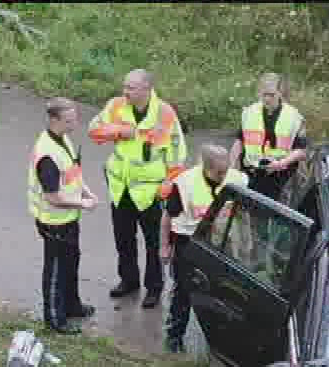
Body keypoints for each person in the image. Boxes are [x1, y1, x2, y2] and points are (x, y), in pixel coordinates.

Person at [88, 69, 187, 310]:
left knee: (154, 243)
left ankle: (154, 288)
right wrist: (120, 131)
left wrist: (167, 185)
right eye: (125, 87)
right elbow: (94, 131)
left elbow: (177, 154)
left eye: (131, 88)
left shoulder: (164, 113)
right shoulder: (116, 106)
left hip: (149, 192)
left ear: (146, 89)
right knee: (124, 239)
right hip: (121, 188)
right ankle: (129, 280)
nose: (125, 92)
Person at [159, 146, 247, 352]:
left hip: (221, 245)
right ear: (205, 168)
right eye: (219, 172)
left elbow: (244, 215)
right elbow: (167, 217)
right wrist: (164, 246)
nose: (224, 175)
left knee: (222, 291)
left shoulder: (237, 180)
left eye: (226, 170)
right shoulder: (184, 183)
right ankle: (174, 335)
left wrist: (246, 244)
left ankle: (218, 338)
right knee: (183, 289)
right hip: (189, 243)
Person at [30, 97, 100, 334]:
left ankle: (72, 306)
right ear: (54, 119)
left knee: (71, 263)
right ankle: (54, 319)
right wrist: (83, 203)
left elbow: (73, 173)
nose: (75, 124)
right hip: (54, 222)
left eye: (75, 118)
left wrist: (86, 191)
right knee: (56, 271)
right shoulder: (47, 155)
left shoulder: (63, 140)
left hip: (69, 218)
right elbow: (53, 197)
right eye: (69, 120)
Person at [227, 73, 310, 206]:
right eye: (264, 94)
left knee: (277, 218)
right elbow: (239, 142)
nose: (267, 99)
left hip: (281, 177)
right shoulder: (249, 113)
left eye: (271, 95)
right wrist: (230, 169)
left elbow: (301, 151)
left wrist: (282, 163)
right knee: (252, 214)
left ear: (280, 93)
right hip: (252, 174)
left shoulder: (293, 117)